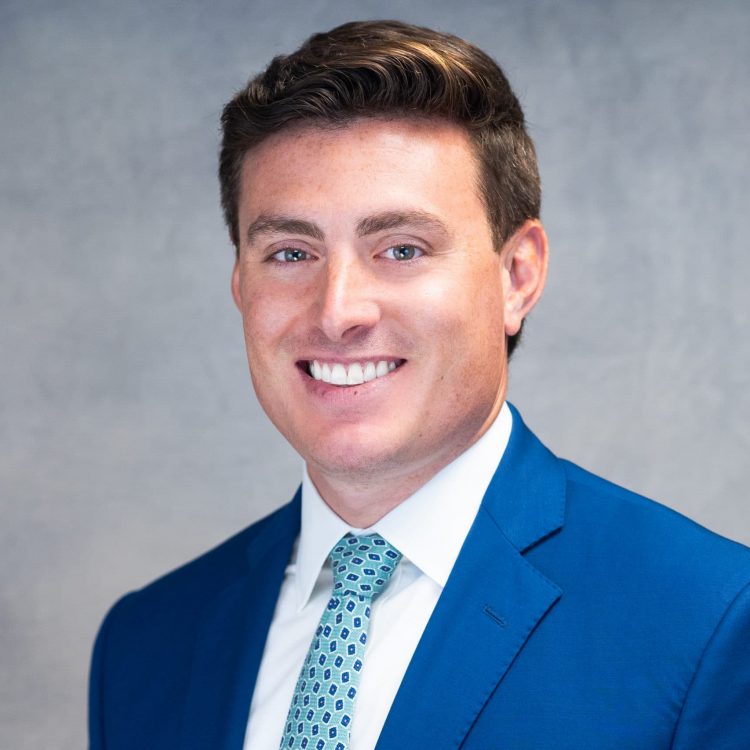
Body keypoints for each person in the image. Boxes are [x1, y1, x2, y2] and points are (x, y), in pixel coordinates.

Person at [88, 20, 750, 750]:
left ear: (517, 276)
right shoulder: (146, 643)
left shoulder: (708, 621)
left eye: (401, 248)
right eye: (290, 252)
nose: (337, 311)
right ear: (240, 283)